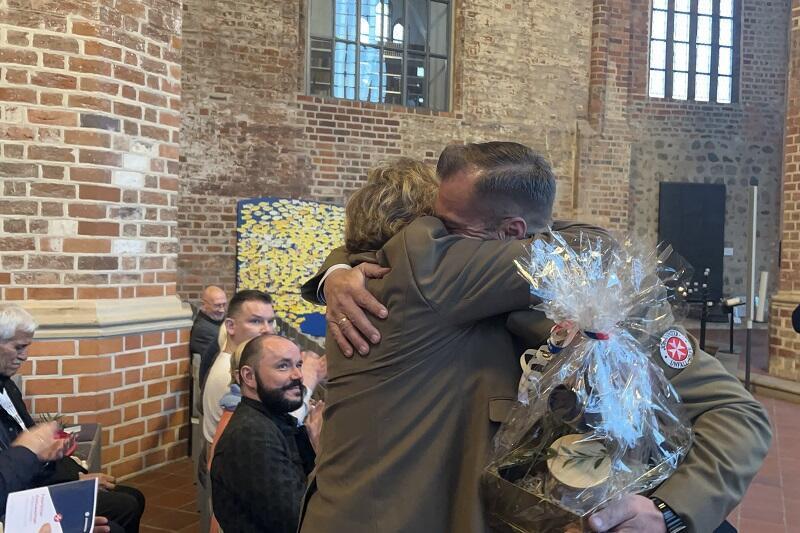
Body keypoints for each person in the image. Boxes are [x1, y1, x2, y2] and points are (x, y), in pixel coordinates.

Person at [300, 143, 772, 533]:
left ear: (513, 233)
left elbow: (737, 414)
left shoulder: (603, 303)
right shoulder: (427, 286)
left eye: (453, 234)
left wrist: (669, 511)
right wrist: (338, 268)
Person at [0, 305, 145, 533]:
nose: (25, 356)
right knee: (121, 513)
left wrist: (75, 476)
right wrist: (31, 452)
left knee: (133, 497)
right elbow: (14, 469)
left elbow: (39, 452)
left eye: (27, 346)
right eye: (18, 347)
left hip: (32, 483)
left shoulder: (8, 386)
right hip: (19, 501)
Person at [211, 335, 321, 533]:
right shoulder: (251, 436)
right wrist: (321, 455)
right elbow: (299, 521)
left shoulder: (272, 419)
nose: (298, 375)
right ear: (249, 376)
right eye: (283, 366)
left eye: (299, 364)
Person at [190, 286, 228, 384]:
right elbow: (219, 359)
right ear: (203, 305)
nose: (222, 310)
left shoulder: (216, 321)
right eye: (217, 306)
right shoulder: (204, 330)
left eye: (224, 305)